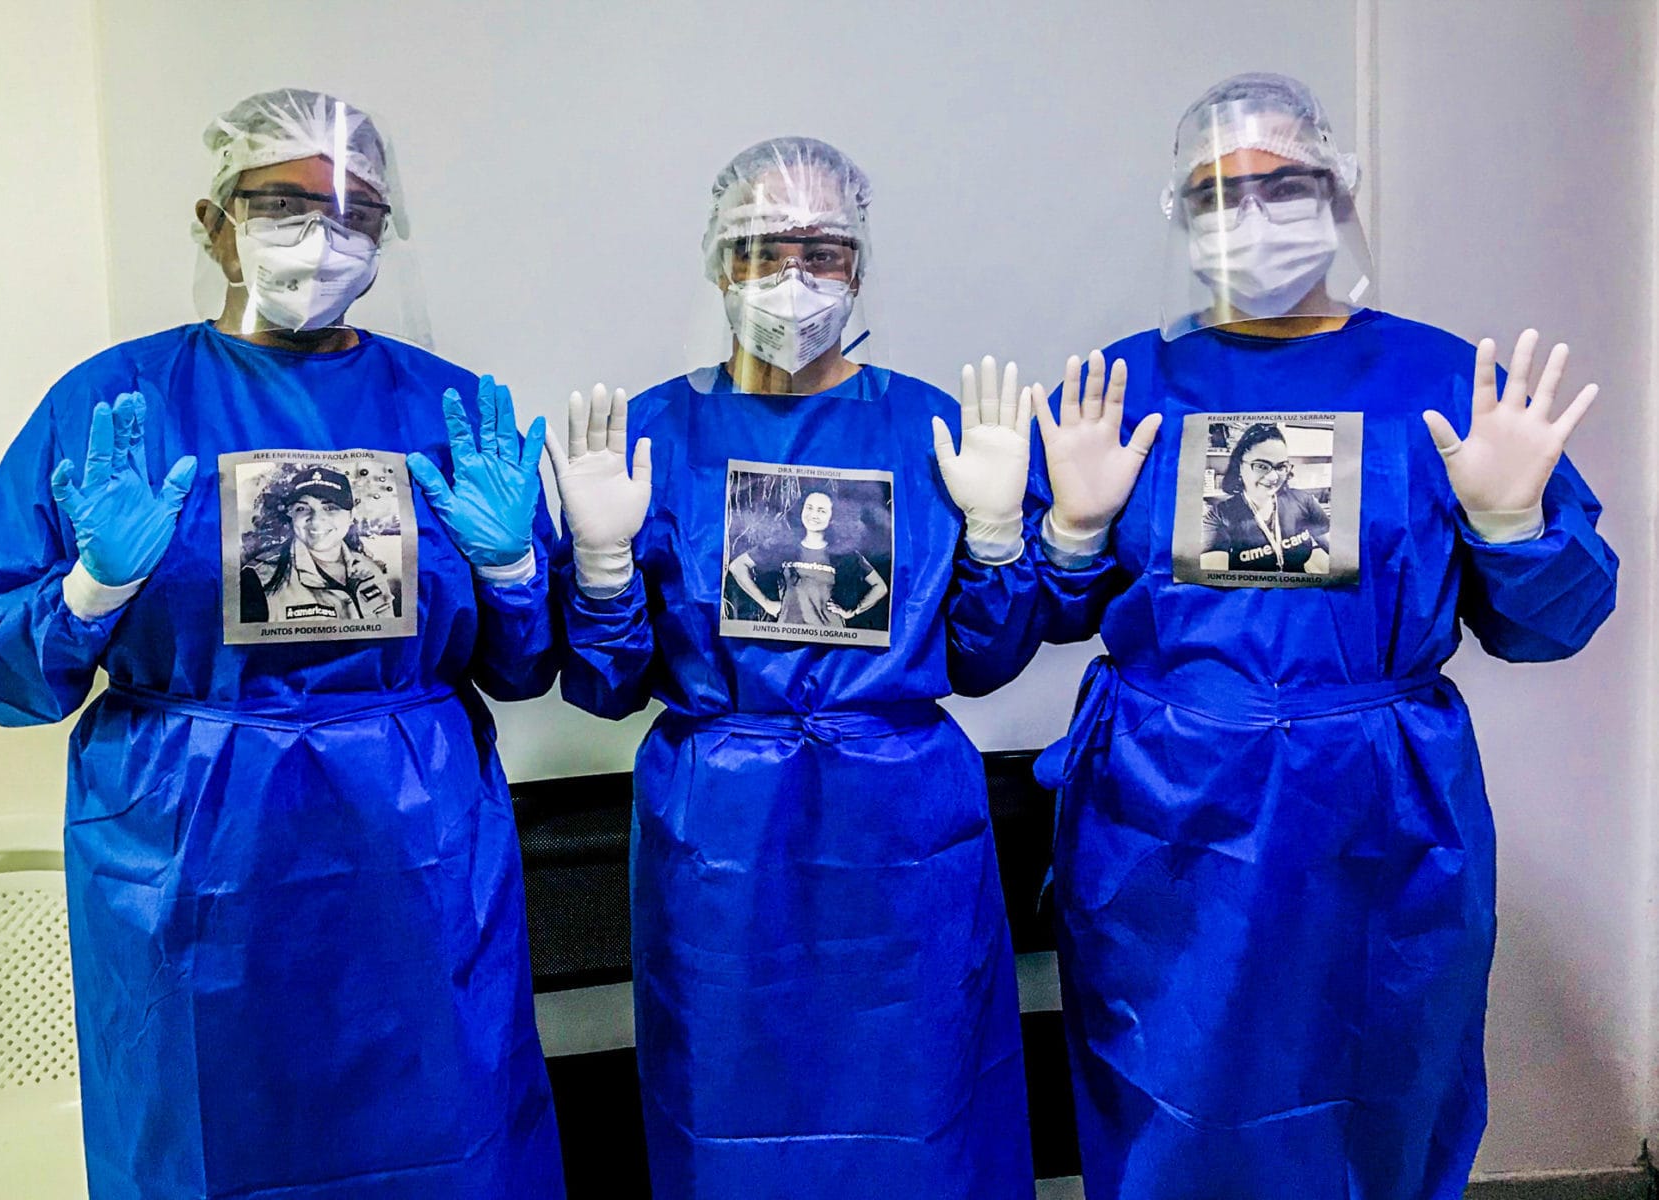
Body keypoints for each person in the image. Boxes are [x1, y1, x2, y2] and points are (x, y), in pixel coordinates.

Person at [0, 88, 565, 1199]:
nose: (322, 240)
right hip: (192, 856)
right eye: (282, 204)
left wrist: (516, 571)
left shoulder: (448, 411)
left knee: (444, 1125)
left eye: (356, 212)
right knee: (206, 1137)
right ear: (214, 220)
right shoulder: (114, 404)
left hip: (412, 855)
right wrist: (88, 588)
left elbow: (523, 665)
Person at [1017, 73, 1617, 1200]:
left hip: (1376, 820)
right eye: (1216, 193)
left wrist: (1512, 525)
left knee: (1379, 1084)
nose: (1252, 214)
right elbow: (1036, 620)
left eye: (1285, 184)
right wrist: (1064, 528)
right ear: (1179, 216)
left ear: (1338, 194)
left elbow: (1554, 626)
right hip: (1163, 823)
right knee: (1167, 1096)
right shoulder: (1124, 389)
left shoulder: (1443, 382)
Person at [546, 137, 1038, 1199]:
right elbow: (602, 685)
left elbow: (988, 660)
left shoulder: (931, 430)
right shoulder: (647, 437)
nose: (793, 277)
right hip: (721, 825)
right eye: (762, 250)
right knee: (728, 1093)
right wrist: (597, 567)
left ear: (859, 267)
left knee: (921, 1091)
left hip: (902, 822)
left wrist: (998, 541)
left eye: (822, 250)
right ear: (718, 266)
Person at [239, 464, 402, 622]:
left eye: (330, 507)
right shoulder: (257, 579)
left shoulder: (371, 571)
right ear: (291, 514)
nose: (316, 520)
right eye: (302, 508)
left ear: (351, 515)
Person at [726, 489, 888, 625]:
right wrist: (766, 604)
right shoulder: (782, 545)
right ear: (801, 511)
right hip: (788, 634)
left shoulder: (846, 554)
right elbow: (737, 566)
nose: (813, 515)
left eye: (821, 511)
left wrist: (854, 611)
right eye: (809, 508)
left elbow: (880, 587)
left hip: (831, 637)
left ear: (832, 518)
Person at [1199, 421, 1331, 573]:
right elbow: (1213, 576)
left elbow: (1340, 556)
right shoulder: (1219, 516)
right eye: (1261, 466)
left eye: (1281, 466)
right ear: (1240, 466)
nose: (1273, 477)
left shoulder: (1304, 501)